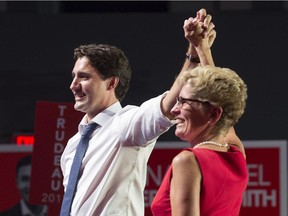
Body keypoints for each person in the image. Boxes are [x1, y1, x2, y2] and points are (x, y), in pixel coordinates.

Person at [60, 9, 218, 216]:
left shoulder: (125, 125)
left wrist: (194, 51)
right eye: (73, 76)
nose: (73, 85)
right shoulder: (73, 145)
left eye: (84, 77)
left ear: (112, 82)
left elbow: (170, 103)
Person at [151, 13, 248, 216]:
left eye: (183, 102)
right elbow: (220, 95)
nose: (174, 109)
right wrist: (201, 47)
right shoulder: (235, 152)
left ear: (213, 115)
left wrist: (201, 46)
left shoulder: (187, 161)